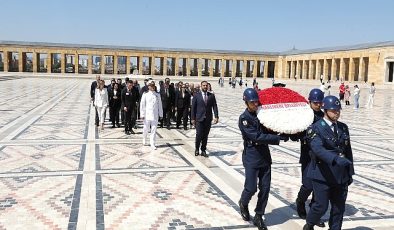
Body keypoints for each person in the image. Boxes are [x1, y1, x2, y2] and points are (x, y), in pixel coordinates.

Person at [238, 88, 289, 230]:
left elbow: (269, 128)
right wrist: (277, 138)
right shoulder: (244, 119)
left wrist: (283, 129)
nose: (255, 104)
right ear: (246, 102)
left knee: (265, 188)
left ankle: (259, 215)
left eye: (256, 102)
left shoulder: (262, 115)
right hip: (252, 156)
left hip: (264, 157)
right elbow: (257, 137)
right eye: (252, 102)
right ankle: (243, 202)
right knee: (251, 187)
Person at [303, 95, 355, 230]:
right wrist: (336, 159)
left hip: (340, 175)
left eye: (338, 110)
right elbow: (318, 149)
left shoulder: (343, 127)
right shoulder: (315, 128)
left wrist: (350, 172)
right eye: (333, 110)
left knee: (339, 209)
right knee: (321, 206)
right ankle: (309, 224)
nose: (337, 113)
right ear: (325, 110)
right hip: (322, 174)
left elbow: (348, 151)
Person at [295, 89, 325, 227]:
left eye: (320, 102)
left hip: (321, 157)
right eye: (315, 102)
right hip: (308, 155)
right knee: (307, 185)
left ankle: (314, 214)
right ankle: (300, 201)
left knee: (318, 186)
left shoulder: (324, 116)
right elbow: (296, 134)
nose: (318, 105)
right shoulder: (304, 116)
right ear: (310, 101)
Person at [191, 81, 219, 157]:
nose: (205, 87)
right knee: (199, 134)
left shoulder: (211, 95)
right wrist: (192, 118)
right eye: (204, 85)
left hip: (208, 119)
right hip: (199, 119)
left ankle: (203, 150)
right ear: (201, 86)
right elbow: (193, 107)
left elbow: (215, 106)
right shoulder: (196, 95)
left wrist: (216, 116)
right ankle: (197, 149)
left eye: (206, 85)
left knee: (205, 135)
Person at [140, 80, 163, 150]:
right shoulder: (145, 94)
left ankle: (152, 143)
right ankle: (144, 138)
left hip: (155, 115)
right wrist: (142, 114)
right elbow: (142, 105)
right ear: (148, 86)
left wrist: (161, 114)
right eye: (151, 86)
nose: (152, 87)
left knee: (154, 129)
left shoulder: (157, 94)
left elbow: (160, 105)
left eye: (153, 86)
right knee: (146, 128)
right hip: (147, 115)